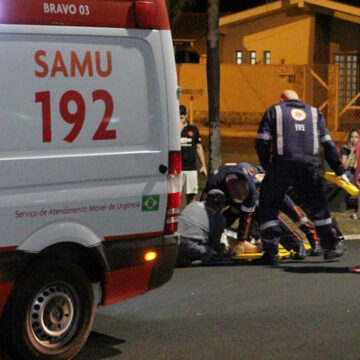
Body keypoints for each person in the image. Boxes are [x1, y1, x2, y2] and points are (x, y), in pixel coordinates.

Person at [255, 89, 348, 265]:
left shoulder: (275, 110)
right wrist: (339, 170)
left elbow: (262, 140)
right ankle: (330, 247)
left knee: (269, 205)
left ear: (282, 99)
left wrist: (267, 165)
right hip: (309, 166)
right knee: (319, 206)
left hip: (282, 164)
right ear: (299, 99)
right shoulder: (314, 113)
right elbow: (328, 145)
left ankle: (271, 252)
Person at [177, 189, 227, 266]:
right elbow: (214, 243)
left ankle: (183, 256)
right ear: (221, 205)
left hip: (175, 241)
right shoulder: (219, 217)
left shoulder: (192, 205)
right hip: (191, 245)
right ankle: (193, 257)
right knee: (213, 254)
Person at [180, 105, 207, 204]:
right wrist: (179, 129)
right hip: (176, 169)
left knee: (191, 196)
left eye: (182, 118)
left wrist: (203, 165)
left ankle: (189, 217)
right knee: (176, 197)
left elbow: (198, 147)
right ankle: (175, 218)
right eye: (178, 118)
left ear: (186, 116)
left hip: (190, 168)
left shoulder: (193, 129)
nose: (180, 120)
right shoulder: (172, 129)